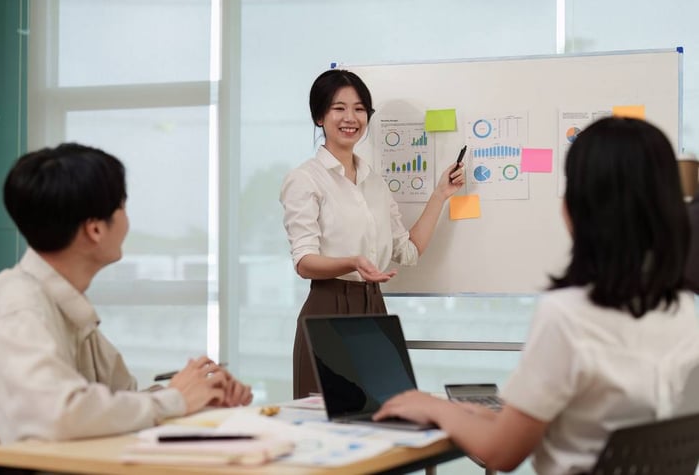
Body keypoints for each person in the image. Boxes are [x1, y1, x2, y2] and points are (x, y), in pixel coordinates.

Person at [374, 117, 699, 474]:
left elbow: (500, 454)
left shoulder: (568, 316)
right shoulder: (683, 310)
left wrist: (432, 406)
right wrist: (490, 417)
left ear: (578, 207)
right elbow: (596, 428)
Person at [0, 143, 252, 475]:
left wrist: (197, 395)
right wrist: (175, 399)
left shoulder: (62, 302)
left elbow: (117, 400)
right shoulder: (18, 304)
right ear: (95, 229)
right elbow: (58, 414)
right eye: (122, 206)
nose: (127, 219)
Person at [280, 69, 466, 399]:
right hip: (328, 309)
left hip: (375, 310)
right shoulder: (305, 179)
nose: (350, 117)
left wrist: (440, 194)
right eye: (339, 108)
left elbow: (408, 251)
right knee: (326, 430)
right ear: (319, 116)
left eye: (359, 108)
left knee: (383, 418)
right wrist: (352, 262)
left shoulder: (375, 182)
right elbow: (304, 262)